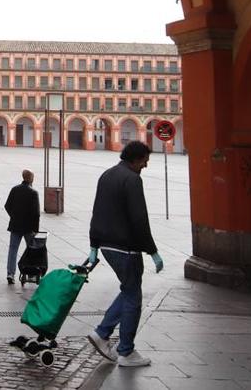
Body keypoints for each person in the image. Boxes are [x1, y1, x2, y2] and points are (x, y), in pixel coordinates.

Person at [85, 141, 163, 367]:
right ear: (136, 159)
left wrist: (94, 245)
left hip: (107, 247)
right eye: (145, 161)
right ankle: (126, 351)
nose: (145, 166)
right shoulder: (132, 179)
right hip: (125, 248)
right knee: (133, 298)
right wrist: (152, 251)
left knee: (129, 290)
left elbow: (96, 210)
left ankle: (102, 333)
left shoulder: (107, 175)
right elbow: (139, 219)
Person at [4, 169, 40, 284]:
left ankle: (10, 273)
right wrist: (35, 230)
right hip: (28, 228)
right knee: (31, 249)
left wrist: (13, 216)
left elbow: (7, 205)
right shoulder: (33, 193)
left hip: (15, 225)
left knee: (13, 249)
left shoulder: (15, 189)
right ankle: (31, 274)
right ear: (31, 179)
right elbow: (36, 214)